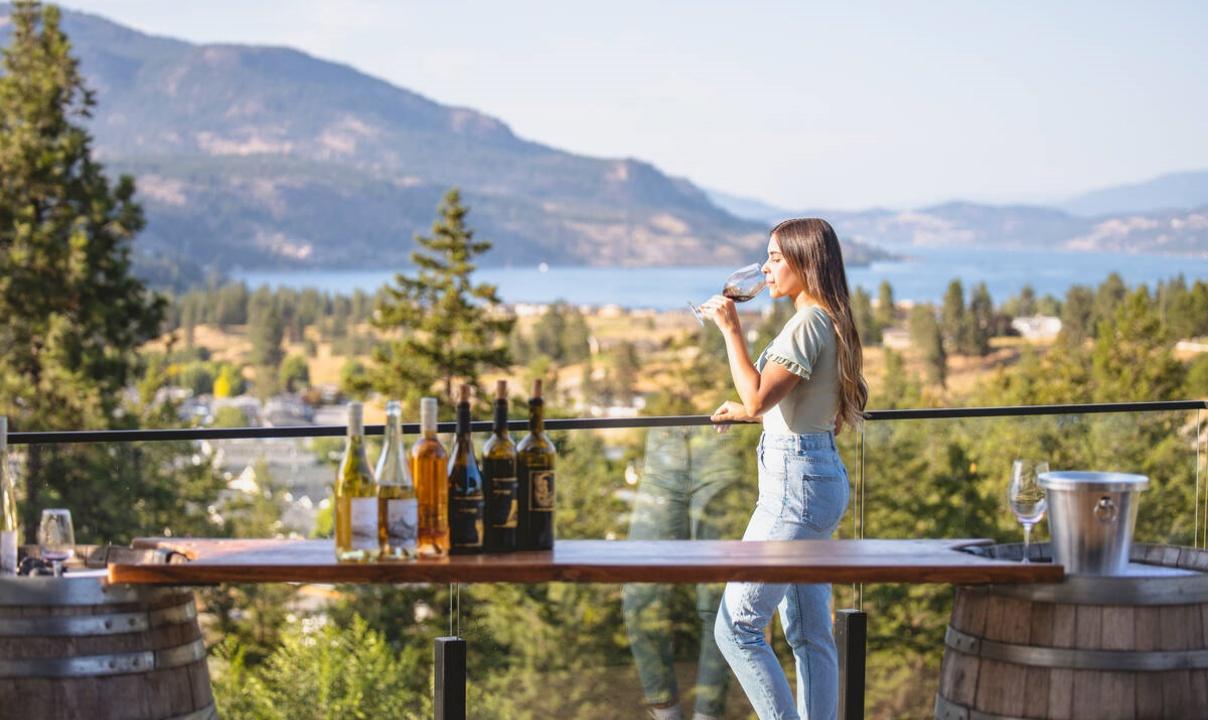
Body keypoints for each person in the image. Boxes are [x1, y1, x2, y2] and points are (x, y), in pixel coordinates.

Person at [699, 218, 868, 720]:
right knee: (810, 633)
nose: (766, 268)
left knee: (737, 626)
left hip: (794, 489)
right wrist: (746, 408)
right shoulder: (828, 318)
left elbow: (756, 398)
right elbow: (792, 405)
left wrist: (730, 329)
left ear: (805, 263)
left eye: (775, 258)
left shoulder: (808, 323)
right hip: (815, 479)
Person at [622, 425, 741, 720]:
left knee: (720, 603)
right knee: (640, 597)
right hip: (664, 438)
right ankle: (665, 712)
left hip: (724, 436)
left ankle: (709, 714)